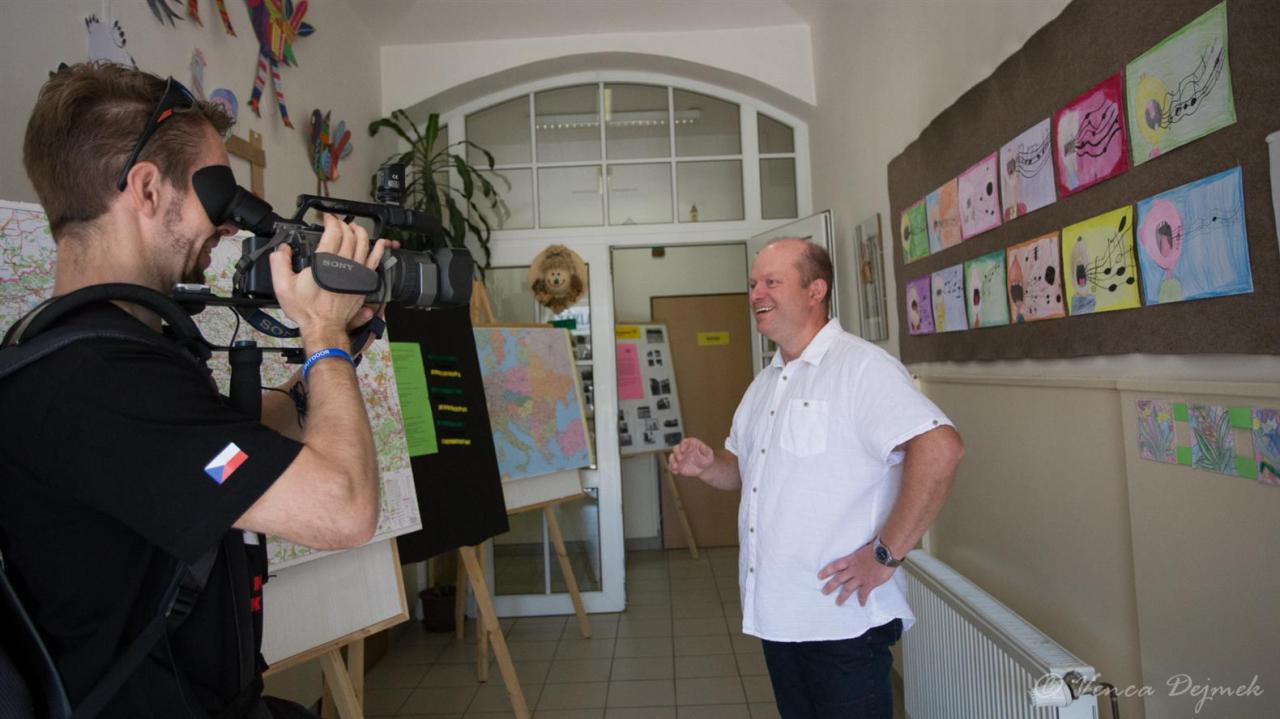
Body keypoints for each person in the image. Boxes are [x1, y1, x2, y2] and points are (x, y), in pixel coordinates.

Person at [0, 62, 388, 717]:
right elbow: (345, 510)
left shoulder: (74, 352)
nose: (230, 225)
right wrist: (320, 330)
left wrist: (327, 366)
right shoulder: (99, 381)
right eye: (217, 193)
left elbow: (218, 450)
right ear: (148, 188)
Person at [669, 238, 964, 719]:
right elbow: (743, 471)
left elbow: (941, 448)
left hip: (842, 620)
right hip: (779, 614)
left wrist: (885, 554)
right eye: (753, 284)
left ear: (815, 290)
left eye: (772, 281)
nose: (756, 294)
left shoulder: (861, 367)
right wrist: (708, 466)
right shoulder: (765, 383)